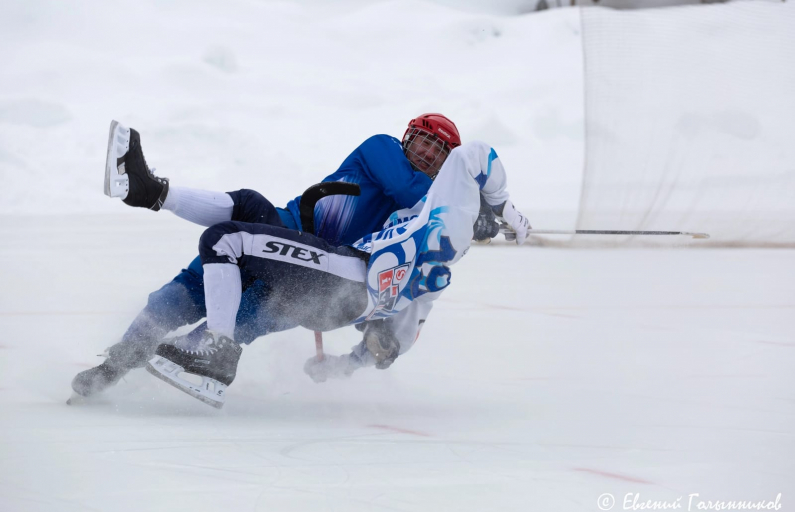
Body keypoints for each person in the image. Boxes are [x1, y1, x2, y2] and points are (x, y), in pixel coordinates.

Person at [72, 115, 501, 399]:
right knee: (187, 286)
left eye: (438, 153)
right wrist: (469, 210)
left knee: (256, 307)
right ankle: (115, 365)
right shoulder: (384, 150)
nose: (427, 154)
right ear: (409, 137)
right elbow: (410, 191)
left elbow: (397, 301)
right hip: (285, 230)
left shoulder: (427, 220)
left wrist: (352, 359)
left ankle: (199, 356)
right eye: (425, 142)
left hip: (318, 275)